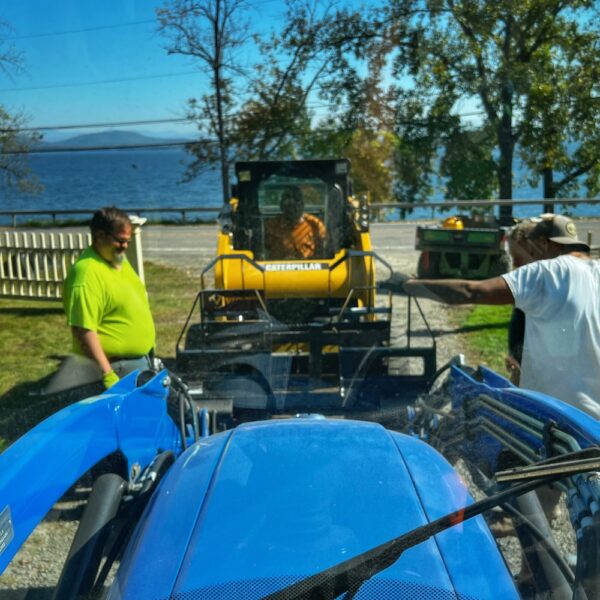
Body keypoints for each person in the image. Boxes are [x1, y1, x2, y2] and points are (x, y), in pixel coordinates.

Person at [399, 214, 600, 418]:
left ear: (542, 243)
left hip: (560, 418)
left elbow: (473, 291)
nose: (525, 261)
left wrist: (412, 286)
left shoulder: (546, 271)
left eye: (529, 252)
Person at [46, 206, 156, 395]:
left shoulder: (117, 260)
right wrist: (108, 375)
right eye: (120, 241)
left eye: (128, 241)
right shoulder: (86, 273)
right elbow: (84, 330)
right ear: (100, 235)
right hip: (116, 370)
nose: (125, 246)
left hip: (139, 364)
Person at [264, 186, 327, 259]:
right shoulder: (271, 226)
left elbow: (325, 253)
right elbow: (262, 253)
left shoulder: (315, 225)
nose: (293, 209)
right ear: (281, 206)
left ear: (303, 205)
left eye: (296, 203)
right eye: (289, 205)